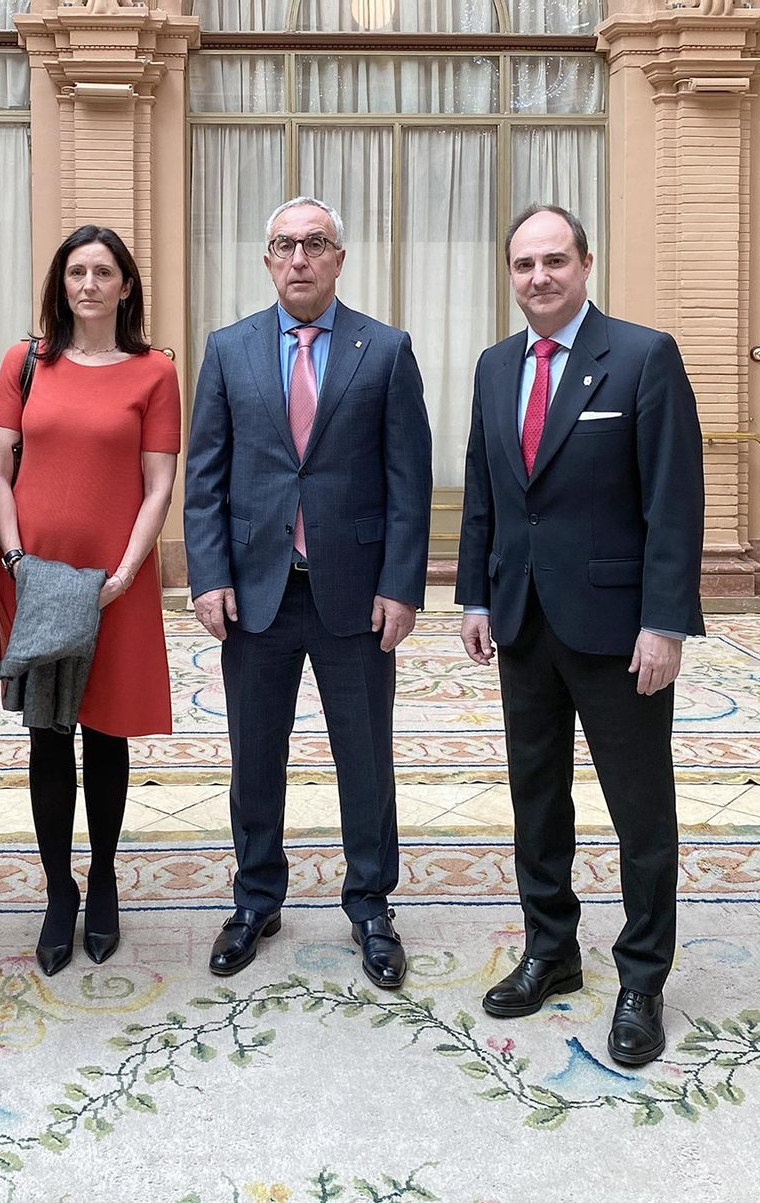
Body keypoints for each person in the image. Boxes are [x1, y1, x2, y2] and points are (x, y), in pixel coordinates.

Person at [455, 203, 704, 1067]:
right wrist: (474, 596)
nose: (538, 278)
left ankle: (642, 977)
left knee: (640, 810)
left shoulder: (642, 356)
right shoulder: (494, 367)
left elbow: (673, 501)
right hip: (522, 621)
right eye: (524, 264)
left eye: (554, 261)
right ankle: (551, 948)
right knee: (537, 798)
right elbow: (485, 490)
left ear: (586, 265)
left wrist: (666, 622)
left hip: (617, 627)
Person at [184, 196, 433, 989]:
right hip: (256, 593)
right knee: (255, 757)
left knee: (365, 756)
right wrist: (209, 574)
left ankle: (369, 904)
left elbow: (409, 481)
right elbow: (206, 477)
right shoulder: (228, 350)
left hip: (356, 597)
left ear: (338, 257)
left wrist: (401, 585)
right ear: (266, 260)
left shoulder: (385, 350)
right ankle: (256, 898)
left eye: (315, 244)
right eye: (285, 245)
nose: (299, 258)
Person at [0, 225, 181, 977]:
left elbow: (159, 481)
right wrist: (14, 558)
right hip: (32, 576)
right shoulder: (24, 362)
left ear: (126, 285)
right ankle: (58, 889)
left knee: (106, 732)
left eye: (104, 271)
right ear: (60, 284)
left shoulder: (154, 372)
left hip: (114, 582)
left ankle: (102, 878)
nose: (89, 283)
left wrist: (129, 573)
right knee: (46, 731)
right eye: (76, 271)